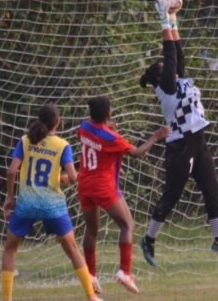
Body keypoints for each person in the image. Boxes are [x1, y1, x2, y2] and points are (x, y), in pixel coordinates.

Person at [137, 0, 218, 266]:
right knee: (171, 197)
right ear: (160, 76)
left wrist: (172, 17)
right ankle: (148, 239)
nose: (169, 67)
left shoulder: (175, 79)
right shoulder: (166, 88)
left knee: (213, 191)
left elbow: (176, 53)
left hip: (198, 142)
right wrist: (162, 17)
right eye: (164, 67)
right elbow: (169, 54)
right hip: (181, 148)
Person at [0, 103, 100, 301]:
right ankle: (91, 297)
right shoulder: (62, 145)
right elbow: (72, 176)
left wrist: (10, 198)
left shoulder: (25, 140)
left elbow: (12, 172)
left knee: (10, 249)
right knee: (72, 250)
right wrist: (66, 177)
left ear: (39, 119)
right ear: (58, 122)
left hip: (27, 204)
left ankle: (7, 299)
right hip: (52, 205)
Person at [77, 96, 170, 294]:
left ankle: (91, 275)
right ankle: (124, 272)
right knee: (127, 225)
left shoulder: (83, 127)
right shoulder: (112, 138)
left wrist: (107, 125)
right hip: (104, 186)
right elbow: (137, 152)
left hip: (85, 185)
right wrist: (156, 136)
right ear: (108, 113)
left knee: (91, 230)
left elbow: (96, 134)